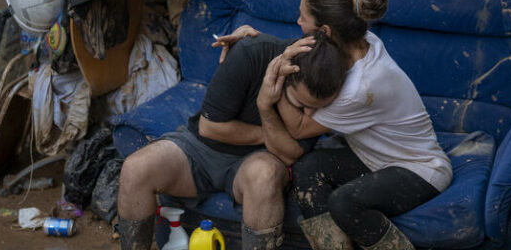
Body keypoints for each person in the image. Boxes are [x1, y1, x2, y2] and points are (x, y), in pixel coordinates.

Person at [214, 0, 452, 250]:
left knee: (345, 202)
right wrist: (249, 39)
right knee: (307, 168)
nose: (298, 22)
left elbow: (298, 129)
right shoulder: (355, 41)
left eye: (303, 17)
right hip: (374, 157)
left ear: (324, 31)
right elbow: (297, 49)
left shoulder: (361, 87)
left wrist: (273, 88)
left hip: (420, 168)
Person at [117, 30, 346, 250]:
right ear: (284, 75)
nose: (308, 116)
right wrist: (272, 135)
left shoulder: (328, 82)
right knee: (136, 169)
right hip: (200, 148)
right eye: (300, 104)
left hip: (257, 160)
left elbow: (290, 154)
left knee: (263, 176)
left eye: (316, 110)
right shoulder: (251, 52)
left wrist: (265, 107)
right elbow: (209, 128)